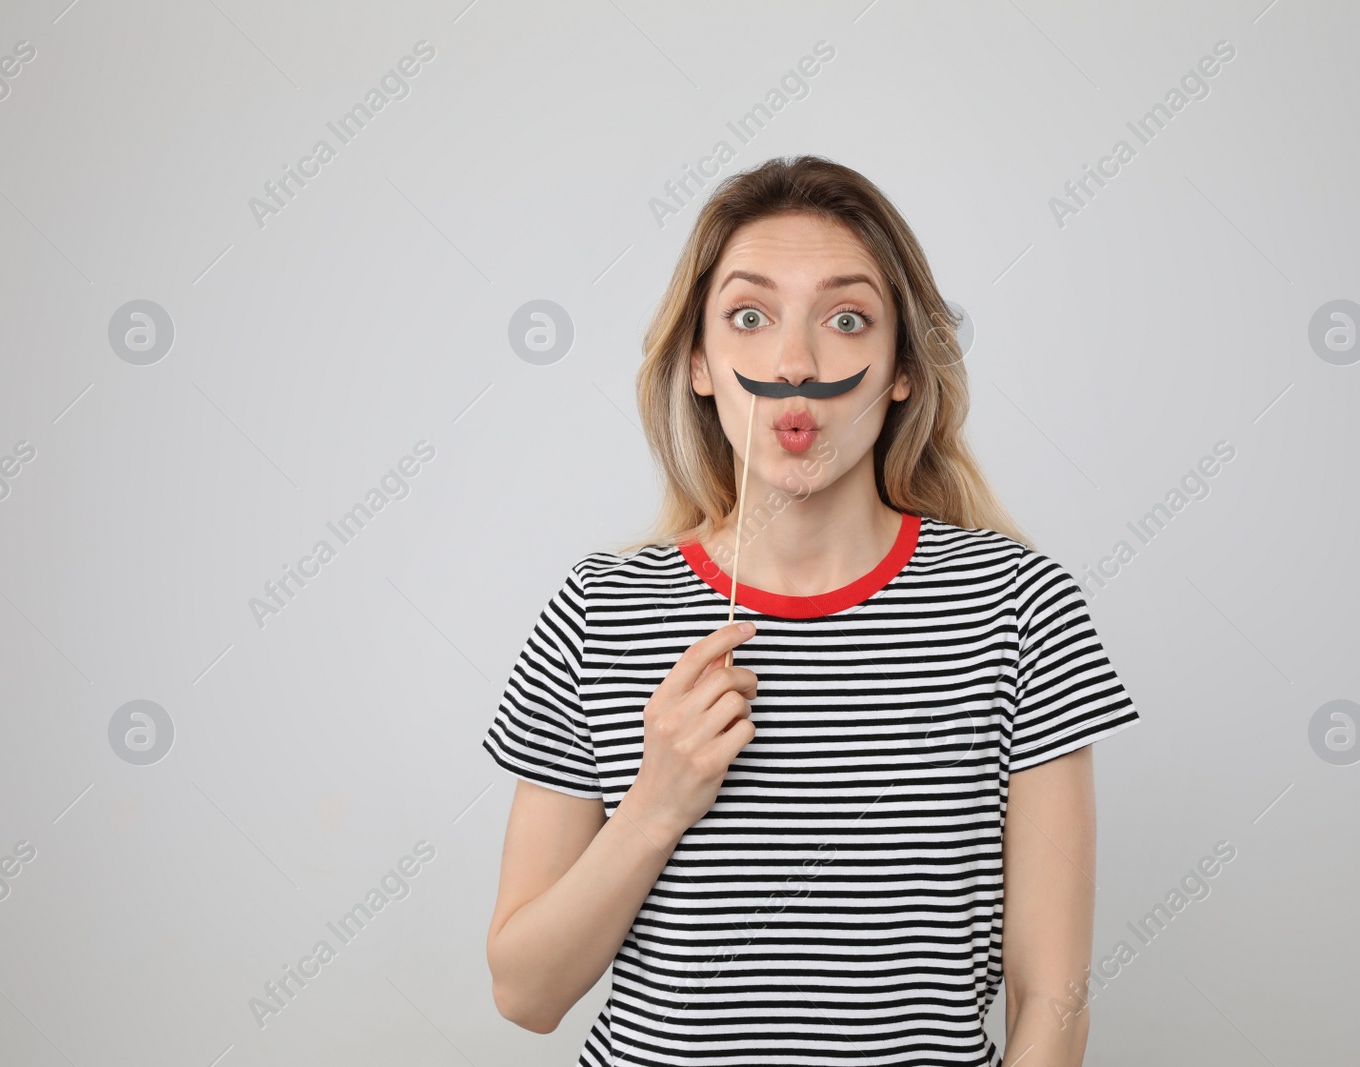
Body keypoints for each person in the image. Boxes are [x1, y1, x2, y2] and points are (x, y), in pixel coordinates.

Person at [482, 155, 1141, 1066]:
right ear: (702, 365)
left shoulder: (1018, 607)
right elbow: (524, 992)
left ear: (903, 367)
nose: (796, 363)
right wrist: (658, 801)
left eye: (846, 319)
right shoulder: (601, 610)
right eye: (750, 317)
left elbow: (1053, 997)